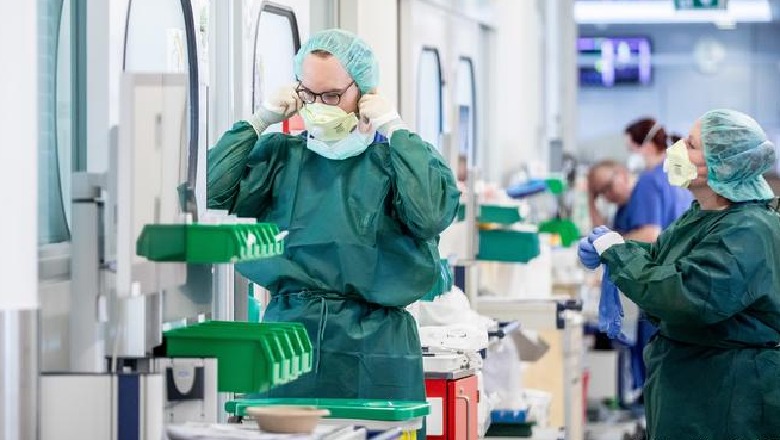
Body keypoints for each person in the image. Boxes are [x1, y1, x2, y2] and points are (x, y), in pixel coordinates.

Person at [207, 29, 460, 401]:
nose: (318, 106)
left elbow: (431, 214)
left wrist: (396, 129)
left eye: (331, 96)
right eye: (307, 94)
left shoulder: (396, 162)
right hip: (288, 343)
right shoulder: (280, 157)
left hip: (377, 347)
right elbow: (211, 195)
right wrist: (258, 121)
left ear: (365, 93)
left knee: (379, 427)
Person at [579, 109, 780, 438]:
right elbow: (663, 257)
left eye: (690, 144)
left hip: (726, 394)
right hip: (693, 383)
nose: (676, 149)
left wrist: (617, 253)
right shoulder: (703, 214)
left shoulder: (747, 230)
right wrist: (615, 249)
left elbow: (684, 293)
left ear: (723, 164)